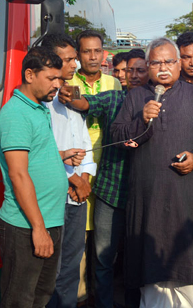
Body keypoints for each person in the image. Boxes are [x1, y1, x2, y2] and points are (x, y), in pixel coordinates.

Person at [111, 37, 193, 308]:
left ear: (179, 64)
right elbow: (118, 136)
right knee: (150, 273)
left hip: (186, 197)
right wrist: (142, 118)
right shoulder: (136, 96)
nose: (163, 68)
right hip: (148, 197)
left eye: (169, 61)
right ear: (148, 66)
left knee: (185, 268)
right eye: (156, 62)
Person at [60, 48, 147, 308]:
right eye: (129, 70)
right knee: (102, 258)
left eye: (140, 70)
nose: (133, 75)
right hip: (110, 192)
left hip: (144, 196)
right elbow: (85, 101)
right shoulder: (113, 99)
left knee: (136, 261)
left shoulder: (159, 103)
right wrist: (67, 90)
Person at [0, 46, 71, 308]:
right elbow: (18, 174)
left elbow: (36, 157)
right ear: (29, 74)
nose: (57, 85)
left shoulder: (38, 108)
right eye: (51, 78)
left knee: (41, 296)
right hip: (25, 226)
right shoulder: (16, 113)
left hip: (48, 221)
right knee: (20, 299)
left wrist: (61, 156)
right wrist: (38, 229)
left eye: (59, 79)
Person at [40, 34, 96, 308]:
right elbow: (40, 153)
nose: (76, 64)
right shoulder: (40, 101)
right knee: (52, 268)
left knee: (73, 264)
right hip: (53, 198)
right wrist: (72, 180)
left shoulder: (72, 95)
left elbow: (84, 143)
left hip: (77, 196)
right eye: (69, 59)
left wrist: (84, 179)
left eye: (75, 58)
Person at [67, 30, 122, 301]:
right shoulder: (68, 82)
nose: (92, 56)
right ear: (77, 54)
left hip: (108, 172)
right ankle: (78, 298)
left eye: (97, 50)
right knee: (76, 245)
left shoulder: (114, 84)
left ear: (103, 53)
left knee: (102, 246)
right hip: (75, 170)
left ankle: (100, 298)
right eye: (86, 51)